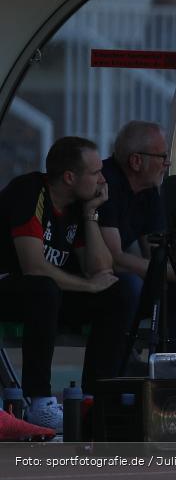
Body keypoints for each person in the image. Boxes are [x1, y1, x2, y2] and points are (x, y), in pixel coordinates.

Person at [0, 137, 130, 432]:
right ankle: (39, 402)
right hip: (11, 287)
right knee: (44, 287)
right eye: (96, 172)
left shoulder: (78, 205)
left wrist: (91, 213)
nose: (103, 179)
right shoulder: (30, 191)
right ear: (70, 177)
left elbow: (100, 270)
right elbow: (33, 266)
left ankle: (94, 397)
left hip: (46, 296)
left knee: (116, 292)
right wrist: (88, 286)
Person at [98, 121, 176, 353]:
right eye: (162, 156)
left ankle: (173, 374)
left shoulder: (149, 190)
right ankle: (110, 380)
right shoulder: (105, 183)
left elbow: (160, 254)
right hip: (81, 278)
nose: (168, 162)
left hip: (113, 281)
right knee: (129, 286)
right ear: (136, 161)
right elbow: (114, 258)